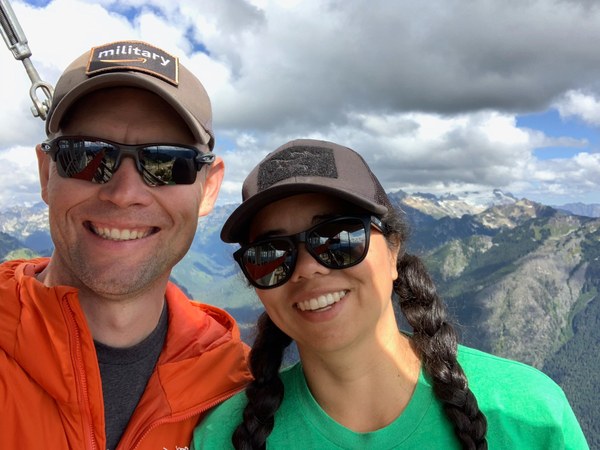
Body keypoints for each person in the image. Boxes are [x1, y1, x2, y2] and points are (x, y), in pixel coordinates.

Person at [191, 139, 588, 449]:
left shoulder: (531, 415)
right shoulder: (220, 438)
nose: (307, 267)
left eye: (338, 238)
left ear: (394, 249)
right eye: (271, 254)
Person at [0, 40, 252, 450]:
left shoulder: (240, 388)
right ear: (46, 174)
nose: (124, 193)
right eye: (87, 155)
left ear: (208, 189)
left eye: (166, 163)